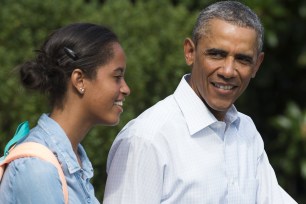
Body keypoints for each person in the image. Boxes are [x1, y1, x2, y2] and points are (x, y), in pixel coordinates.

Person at [103, 1, 297, 204]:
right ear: (190, 52)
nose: (228, 71)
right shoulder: (147, 138)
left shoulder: (246, 131)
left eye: (242, 59)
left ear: (257, 65)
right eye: (216, 54)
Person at [0, 23, 130, 203]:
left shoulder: (73, 163)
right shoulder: (37, 168)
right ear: (79, 80)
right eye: (117, 77)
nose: (126, 89)